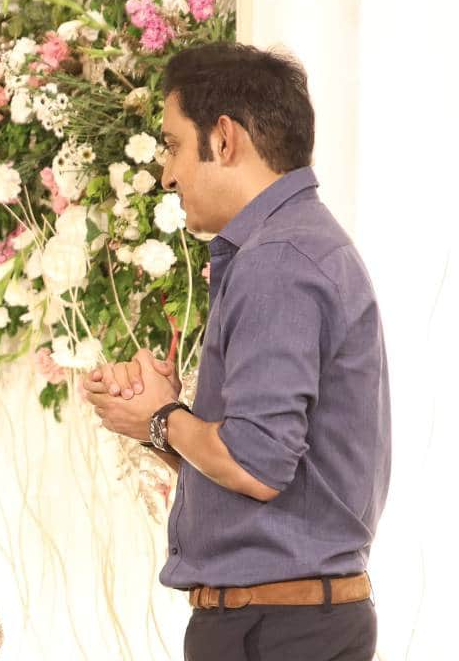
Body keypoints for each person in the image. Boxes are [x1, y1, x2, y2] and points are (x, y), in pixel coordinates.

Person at [84, 42, 390, 661]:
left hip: (276, 629)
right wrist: (162, 421)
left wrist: (161, 419)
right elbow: (272, 476)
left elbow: (255, 464)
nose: (167, 174)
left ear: (223, 139)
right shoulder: (295, 246)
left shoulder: (277, 259)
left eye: (172, 145)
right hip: (288, 620)